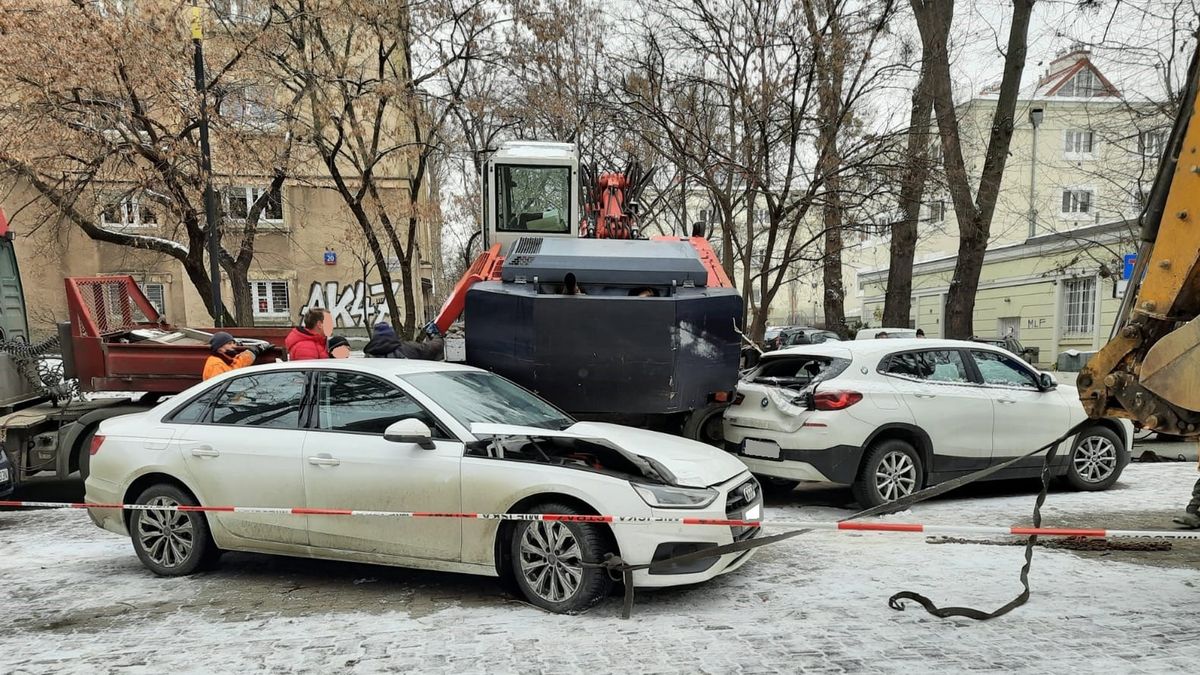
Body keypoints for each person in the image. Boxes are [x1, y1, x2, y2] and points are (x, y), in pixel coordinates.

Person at [364, 322, 444, 360]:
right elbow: (432, 348)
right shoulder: (407, 348)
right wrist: (434, 335)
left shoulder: (369, 358)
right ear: (392, 335)